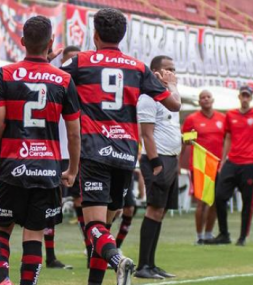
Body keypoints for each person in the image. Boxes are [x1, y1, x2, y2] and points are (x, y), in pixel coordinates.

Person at [61, 9, 181, 285]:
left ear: (95, 34)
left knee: (93, 226)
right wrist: (171, 84)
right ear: (122, 36)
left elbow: (52, 80)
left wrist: (52, 59)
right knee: (103, 229)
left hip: (94, 152)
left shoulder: (81, 61)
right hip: (125, 155)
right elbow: (174, 105)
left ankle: (119, 261)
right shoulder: (138, 68)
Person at [0, 15, 81, 285]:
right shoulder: (63, 80)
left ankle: (4, 282)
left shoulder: (5, 75)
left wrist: (2, 153)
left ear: (22, 42)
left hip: (12, 166)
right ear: (51, 43)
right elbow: (74, 132)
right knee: (34, 235)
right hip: (48, 169)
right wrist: (72, 169)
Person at [209, 86, 253, 246]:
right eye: (243, 95)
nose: (245, 98)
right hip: (232, 161)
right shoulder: (231, 115)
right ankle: (224, 234)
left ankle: (242, 237)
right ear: (239, 97)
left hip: (250, 164)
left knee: (248, 201)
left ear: (251, 98)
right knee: (219, 197)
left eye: (248, 96)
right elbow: (227, 137)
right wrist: (223, 159)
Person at [136, 55, 181, 280]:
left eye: (174, 69)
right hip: (158, 160)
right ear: (155, 73)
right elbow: (147, 134)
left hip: (172, 159)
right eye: (168, 69)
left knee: (160, 212)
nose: (172, 73)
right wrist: (155, 164)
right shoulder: (148, 97)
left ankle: (152, 264)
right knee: (153, 209)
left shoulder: (169, 96)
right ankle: (143, 264)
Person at [44, 45, 81, 270]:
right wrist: (47, 62)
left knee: (84, 205)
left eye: (76, 61)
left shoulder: (85, 86)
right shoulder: (55, 82)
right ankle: (50, 256)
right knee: (51, 205)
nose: (72, 66)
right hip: (54, 153)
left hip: (77, 153)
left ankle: (93, 253)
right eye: (68, 61)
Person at [181, 90, 225, 245]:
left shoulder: (222, 118)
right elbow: (185, 142)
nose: (206, 99)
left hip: (218, 165)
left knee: (215, 201)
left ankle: (208, 234)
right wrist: (180, 162)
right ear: (199, 102)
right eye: (202, 98)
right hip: (199, 165)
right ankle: (199, 235)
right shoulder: (192, 119)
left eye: (208, 97)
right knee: (201, 202)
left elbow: (228, 140)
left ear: (213, 100)